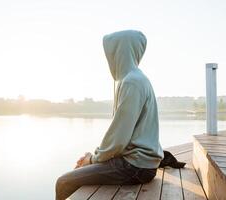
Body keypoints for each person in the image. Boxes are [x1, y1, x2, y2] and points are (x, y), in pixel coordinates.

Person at [55, 30, 164, 200]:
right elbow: (120, 137)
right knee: (77, 175)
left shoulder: (132, 82)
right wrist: (94, 158)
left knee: (64, 182)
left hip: (135, 166)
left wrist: (92, 159)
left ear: (120, 52)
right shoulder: (137, 78)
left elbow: (118, 139)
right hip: (141, 163)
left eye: (112, 52)